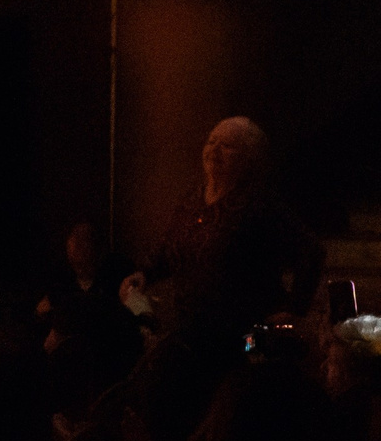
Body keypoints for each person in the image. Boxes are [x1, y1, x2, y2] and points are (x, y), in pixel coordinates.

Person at [122, 117, 323, 350]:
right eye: (211, 142)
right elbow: (171, 247)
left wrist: (293, 308)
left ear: (249, 158)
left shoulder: (259, 205)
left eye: (227, 146)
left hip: (243, 338)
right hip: (191, 330)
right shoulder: (192, 200)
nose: (214, 150)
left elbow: (311, 251)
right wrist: (145, 273)